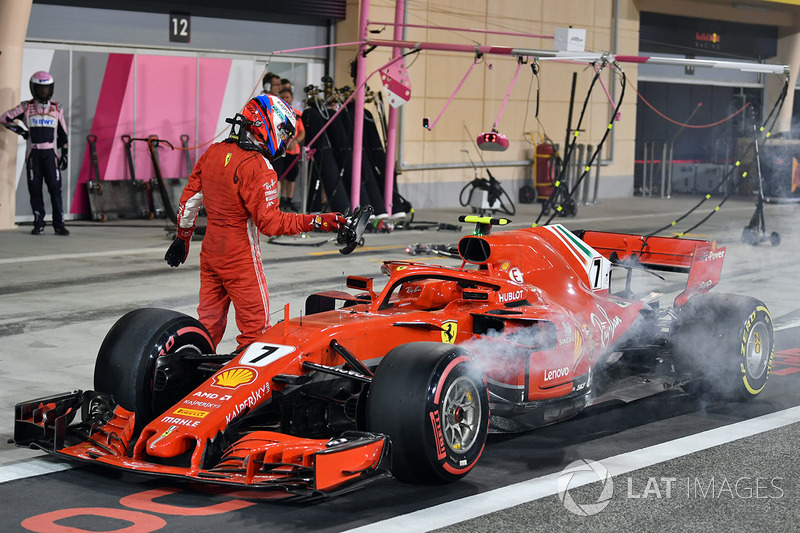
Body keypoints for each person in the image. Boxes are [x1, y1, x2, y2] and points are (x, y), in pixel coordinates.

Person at [164, 94, 344, 350]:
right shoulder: (258, 167)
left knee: (207, 328)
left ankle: (196, 380)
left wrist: (182, 237)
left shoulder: (213, 152)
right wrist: (320, 221)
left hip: (210, 254)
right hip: (240, 260)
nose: (284, 139)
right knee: (256, 334)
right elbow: (271, 224)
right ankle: (240, 385)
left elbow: (189, 201)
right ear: (266, 124)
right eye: (282, 131)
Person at [1, 71, 69, 235]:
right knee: (35, 189)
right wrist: (21, 131)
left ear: (51, 88)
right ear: (33, 88)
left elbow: (63, 134)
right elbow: (4, 118)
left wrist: (64, 153)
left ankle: (59, 224)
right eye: (40, 88)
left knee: (55, 189)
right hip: (34, 155)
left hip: (51, 155)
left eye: (46, 88)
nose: (43, 92)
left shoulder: (57, 108)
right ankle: (39, 223)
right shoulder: (26, 107)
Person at [275, 84, 305, 211]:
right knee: (278, 176)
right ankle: (278, 201)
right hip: (279, 151)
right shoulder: (275, 112)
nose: (285, 99)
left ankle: (289, 200)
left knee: (291, 177)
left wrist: (296, 141)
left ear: (292, 98)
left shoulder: (297, 114)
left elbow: (302, 131)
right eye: (282, 97)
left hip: (293, 150)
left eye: (287, 97)